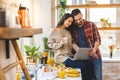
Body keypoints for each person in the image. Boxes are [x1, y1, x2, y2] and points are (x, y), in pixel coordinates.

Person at [47, 13, 93, 80]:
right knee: (82, 65)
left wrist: (79, 50)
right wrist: (60, 43)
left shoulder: (67, 31)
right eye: (69, 21)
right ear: (64, 19)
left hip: (69, 55)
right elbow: (49, 44)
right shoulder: (54, 31)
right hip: (61, 57)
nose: (70, 23)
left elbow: (72, 43)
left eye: (71, 22)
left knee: (88, 63)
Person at [71, 9, 102, 80]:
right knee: (86, 78)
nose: (78, 21)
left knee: (98, 77)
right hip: (82, 58)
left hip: (95, 56)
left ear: (82, 15)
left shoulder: (91, 24)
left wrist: (94, 50)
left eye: (80, 19)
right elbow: (73, 42)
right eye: (76, 20)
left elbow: (98, 39)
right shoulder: (73, 28)